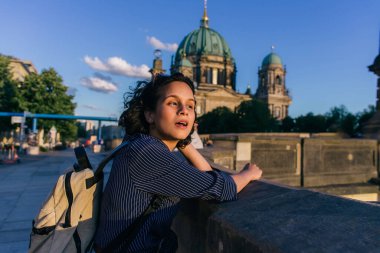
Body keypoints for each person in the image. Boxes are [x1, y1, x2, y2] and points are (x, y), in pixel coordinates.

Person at [94, 73, 262, 252]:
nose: (184, 110)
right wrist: (248, 174)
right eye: (173, 103)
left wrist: (183, 140)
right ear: (150, 115)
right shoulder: (148, 154)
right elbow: (220, 189)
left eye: (190, 105)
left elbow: (206, 174)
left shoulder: (138, 143)